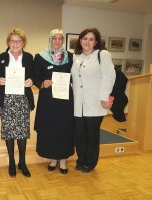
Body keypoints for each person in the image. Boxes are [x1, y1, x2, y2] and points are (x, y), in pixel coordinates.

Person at [71, 28, 116, 173]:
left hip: (95, 103)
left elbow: (109, 77)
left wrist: (104, 98)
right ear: (80, 40)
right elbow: (75, 78)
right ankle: (81, 160)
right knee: (79, 135)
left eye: (91, 39)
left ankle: (90, 163)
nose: (87, 42)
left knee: (92, 135)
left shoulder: (102, 54)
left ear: (96, 42)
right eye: (85, 38)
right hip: (78, 104)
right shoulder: (76, 56)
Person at [34, 29, 74, 174]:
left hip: (65, 101)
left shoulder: (70, 57)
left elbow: (75, 76)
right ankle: (52, 158)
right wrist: (42, 83)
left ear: (63, 41)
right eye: (54, 38)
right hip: (48, 101)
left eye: (60, 39)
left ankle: (63, 160)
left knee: (64, 128)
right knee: (50, 128)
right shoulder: (39, 57)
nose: (57, 41)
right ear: (49, 40)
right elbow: (34, 77)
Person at [0, 28, 34, 178]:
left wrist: (32, 81)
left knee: (22, 133)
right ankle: (12, 162)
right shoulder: (2, 57)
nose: (15, 43)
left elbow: (35, 76)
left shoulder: (29, 57)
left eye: (18, 40)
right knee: (9, 132)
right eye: (12, 40)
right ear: (8, 42)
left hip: (23, 99)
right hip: (6, 99)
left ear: (23, 42)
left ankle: (22, 162)